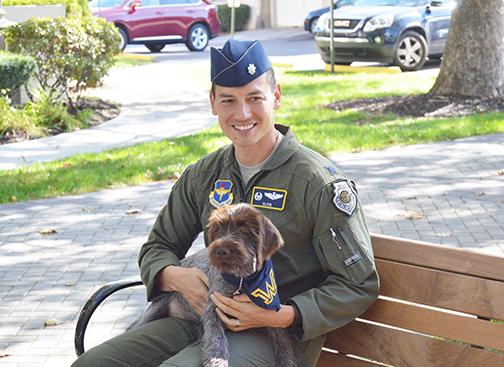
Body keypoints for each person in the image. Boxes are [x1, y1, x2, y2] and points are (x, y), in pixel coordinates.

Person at [72, 39, 379, 367]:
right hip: (198, 319)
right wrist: (176, 277)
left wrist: (282, 316)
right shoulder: (204, 174)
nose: (242, 113)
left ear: (276, 96)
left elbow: (358, 284)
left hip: (276, 337)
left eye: (254, 98)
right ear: (213, 103)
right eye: (229, 100)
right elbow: (158, 247)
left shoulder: (317, 183)